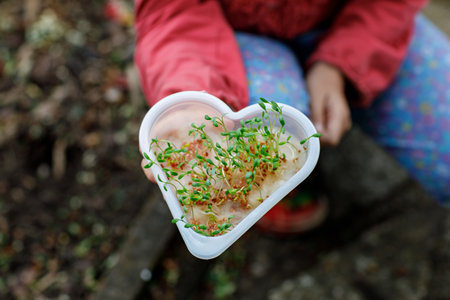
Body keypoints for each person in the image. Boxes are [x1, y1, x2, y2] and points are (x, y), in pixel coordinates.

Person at [134, 0, 450, 233]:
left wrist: (341, 63)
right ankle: (270, 191)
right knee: (254, 134)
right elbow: (172, 10)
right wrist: (194, 97)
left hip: (359, 21)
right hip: (224, 36)